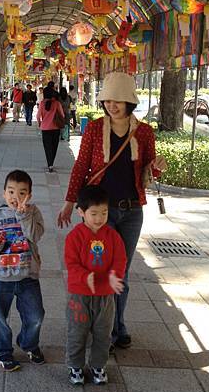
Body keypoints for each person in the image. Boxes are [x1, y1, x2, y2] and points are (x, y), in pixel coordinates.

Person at [58, 72, 167, 349]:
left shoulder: (144, 132)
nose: (112, 105)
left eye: (118, 100)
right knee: (99, 268)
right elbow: (82, 166)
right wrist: (70, 202)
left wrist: (156, 167)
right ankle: (96, 323)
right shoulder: (95, 128)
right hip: (100, 215)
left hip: (131, 212)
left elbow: (147, 168)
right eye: (107, 100)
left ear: (130, 101)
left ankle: (117, 326)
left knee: (121, 273)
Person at [0, 169, 45, 371]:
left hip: (28, 276)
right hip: (2, 277)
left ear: (30, 195)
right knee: (0, 317)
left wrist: (23, 216)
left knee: (36, 316)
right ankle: (0, 351)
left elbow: (35, 236)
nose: (15, 197)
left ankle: (28, 343)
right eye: (11, 192)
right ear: (3, 193)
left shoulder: (33, 212)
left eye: (22, 193)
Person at [65, 185, 126, 386]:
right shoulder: (75, 236)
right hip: (80, 295)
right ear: (81, 212)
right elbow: (71, 262)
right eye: (94, 214)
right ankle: (75, 366)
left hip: (105, 296)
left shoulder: (113, 236)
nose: (99, 218)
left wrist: (115, 277)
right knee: (77, 332)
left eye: (104, 213)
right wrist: (84, 277)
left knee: (103, 333)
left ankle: (98, 365)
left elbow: (120, 260)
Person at [36, 86, 65, 173]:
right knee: (54, 146)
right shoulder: (57, 103)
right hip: (56, 128)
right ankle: (51, 162)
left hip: (45, 129)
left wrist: (40, 123)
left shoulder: (42, 103)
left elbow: (38, 116)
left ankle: (50, 164)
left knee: (47, 147)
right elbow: (62, 115)